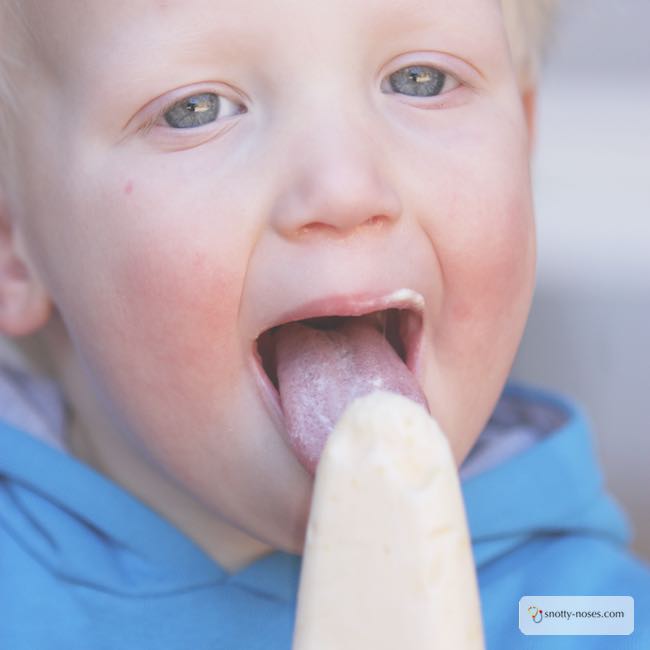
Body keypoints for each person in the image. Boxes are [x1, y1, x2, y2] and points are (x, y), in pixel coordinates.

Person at [0, 0, 647, 647]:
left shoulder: (581, 615)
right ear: (13, 244)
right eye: (194, 110)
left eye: (420, 79)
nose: (344, 189)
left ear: (525, 145)